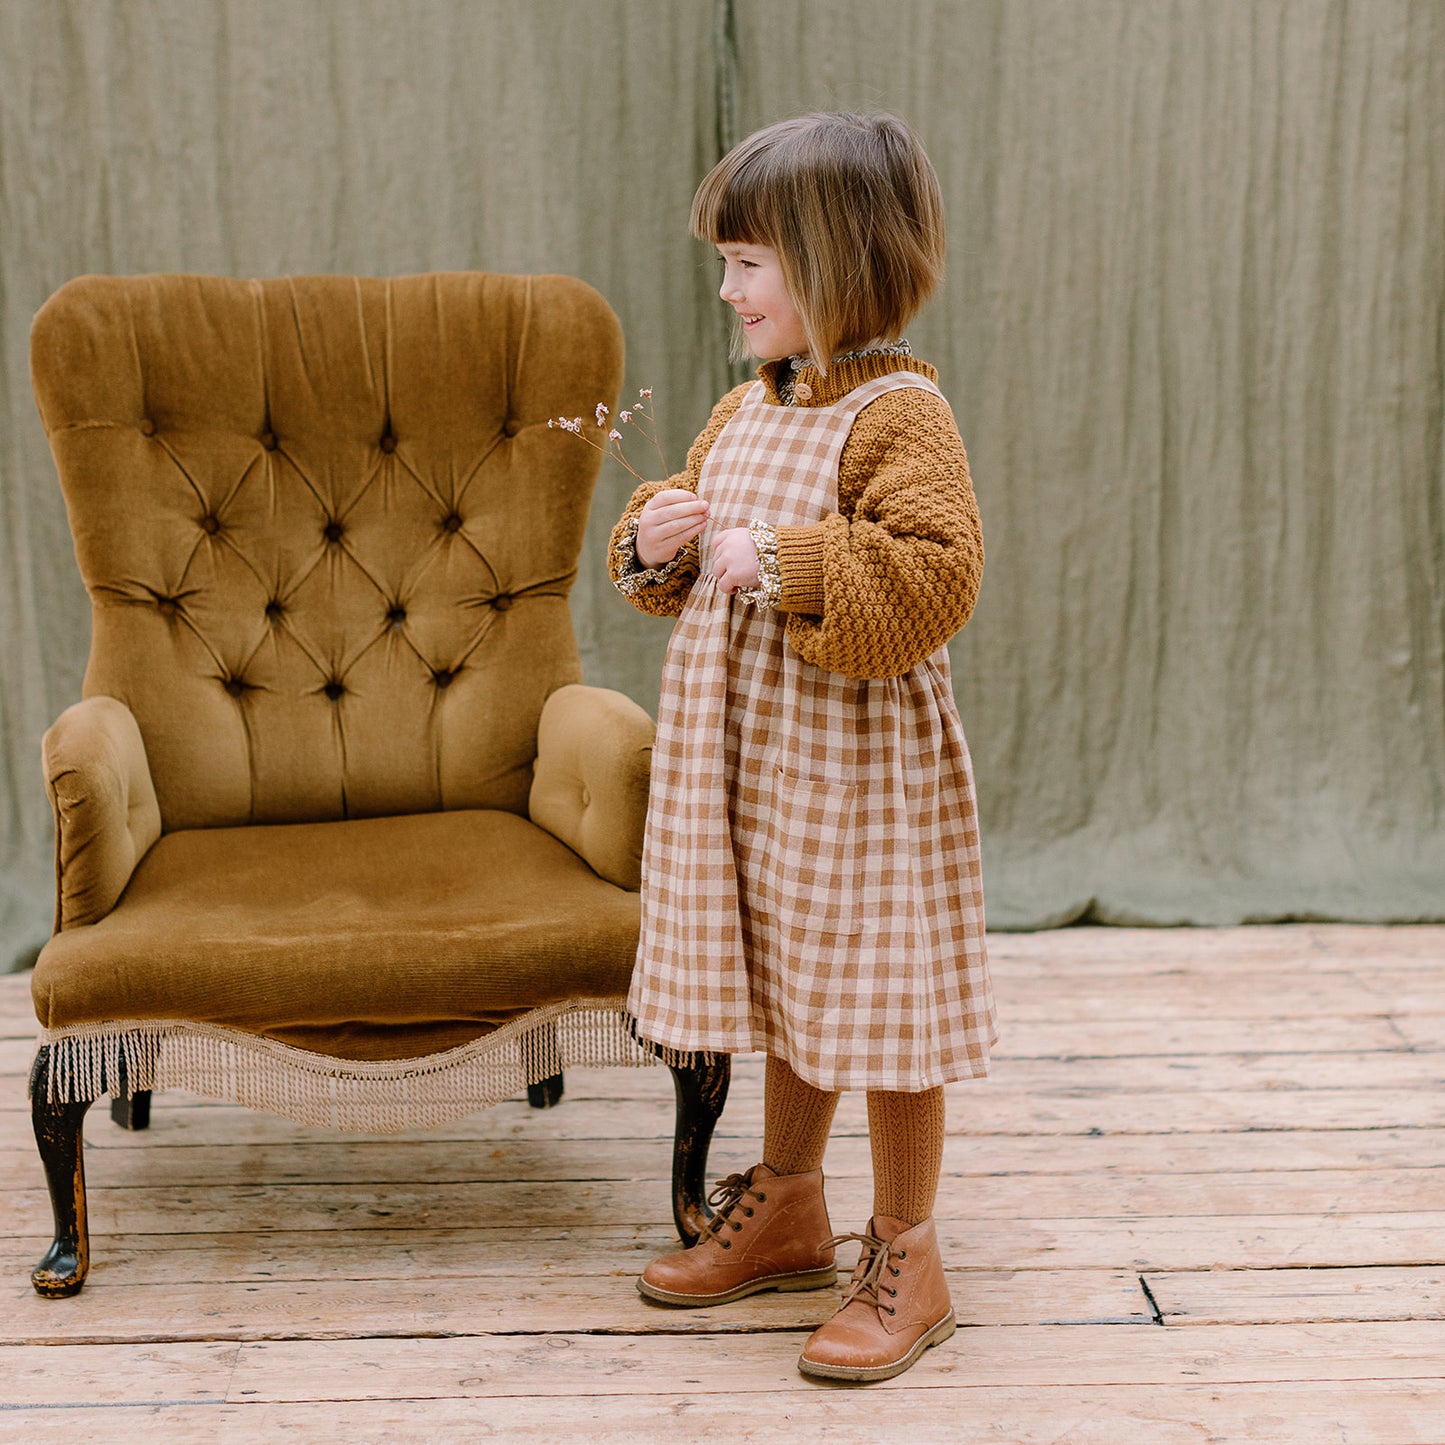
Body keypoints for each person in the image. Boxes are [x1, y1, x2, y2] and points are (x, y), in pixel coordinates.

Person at [607, 111, 995, 1384]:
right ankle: (786, 1201)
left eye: (747, 263)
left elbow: (938, 570)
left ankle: (907, 1249)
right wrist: (655, 538)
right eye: (724, 263)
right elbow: (688, 563)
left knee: (882, 992)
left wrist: (784, 559)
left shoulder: (898, 415)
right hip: (751, 765)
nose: (727, 289)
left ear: (835, 264)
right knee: (786, 969)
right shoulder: (743, 409)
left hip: (859, 767)